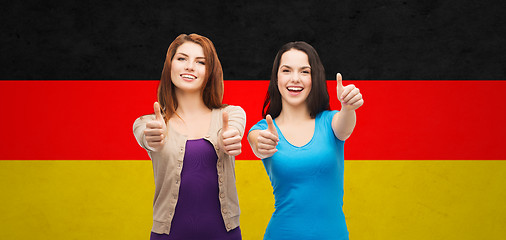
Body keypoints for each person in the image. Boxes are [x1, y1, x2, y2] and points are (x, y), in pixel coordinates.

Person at [133, 33, 245, 240]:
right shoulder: (147, 123)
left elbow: (233, 132)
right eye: (182, 58)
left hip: (225, 234)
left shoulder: (231, 114)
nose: (190, 66)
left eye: (200, 62)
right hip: (168, 235)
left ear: (210, 71)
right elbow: (145, 135)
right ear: (170, 66)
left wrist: (228, 139)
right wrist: (152, 137)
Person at [248, 41, 364, 240]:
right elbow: (258, 144)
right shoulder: (262, 129)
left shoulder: (331, 122)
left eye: (304, 72)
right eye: (286, 70)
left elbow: (345, 127)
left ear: (314, 78)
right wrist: (262, 144)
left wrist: (347, 106)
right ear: (276, 77)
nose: (295, 79)